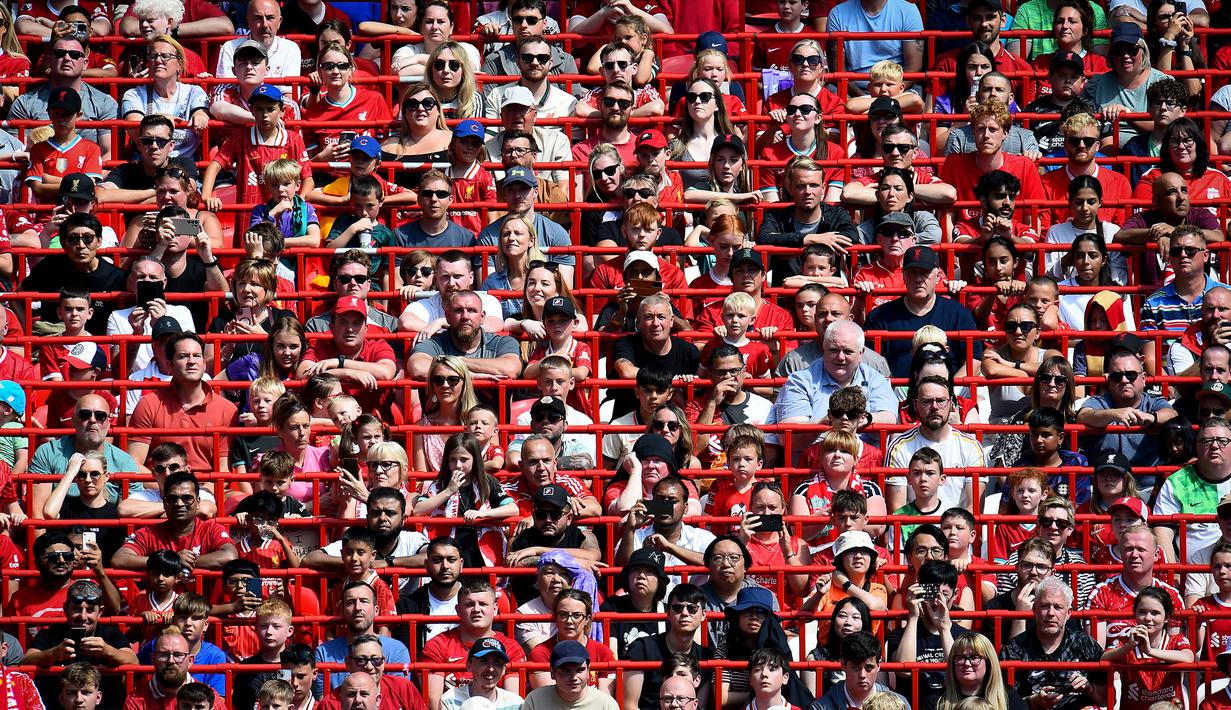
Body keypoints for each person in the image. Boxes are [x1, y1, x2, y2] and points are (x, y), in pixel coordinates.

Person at [865, 245, 982, 378]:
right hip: (894, 393)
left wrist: (948, 391)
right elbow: (869, 363)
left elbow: (974, 362)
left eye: (924, 272)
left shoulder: (959, 314)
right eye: (912, 272)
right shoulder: (879, 316)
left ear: (938, 276)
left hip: (947, 394)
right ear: (903, 276)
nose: (918, 279)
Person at [999, 577, 1109, 710]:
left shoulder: (1085, 644)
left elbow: (1109, 699)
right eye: (1044, 606)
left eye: (1058, 607)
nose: (1051, 613)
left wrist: (1089, 688)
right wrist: (1032, 702)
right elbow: (999, 702)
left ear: (1068, 613)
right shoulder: (1014, 648)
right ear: (1034, 610)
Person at [1077, 349, 1179, 492]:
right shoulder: (1100, 402)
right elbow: (1083, 416)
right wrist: (1114, 414)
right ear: (1109, 380)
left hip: (1147, 488)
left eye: (1131, 375)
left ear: (1143, 378)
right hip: (1105, 488)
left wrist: (1151, 417)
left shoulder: (1153, 402)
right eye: (1117, 376)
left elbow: (1172, 414)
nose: (1124, 380)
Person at [25, 580, 137, 704]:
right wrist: (54, 653)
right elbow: (26, 661)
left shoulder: (110, 634)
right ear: (65, 608)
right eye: (77, 609)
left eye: (90, 610)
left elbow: (133, 661)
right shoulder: (52, 633)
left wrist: (107, 651)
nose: (83, 617)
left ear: (100, 612)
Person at [8, 35, 118, 159]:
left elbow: (108, 154)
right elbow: (18, 152)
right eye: (60, 53)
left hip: (88, 175)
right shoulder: (24, 103)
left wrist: (91, 178)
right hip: (38, 174)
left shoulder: (104, 102)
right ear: (49, 60)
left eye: (75, 55)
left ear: (85, 63)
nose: (67, 58)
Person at [420, 580, 526, 707]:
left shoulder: (511, 648)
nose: (476, 609)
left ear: (495, 609)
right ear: (458, 610)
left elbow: (511, 705)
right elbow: (435, 705)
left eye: (483, 604)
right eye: (469, 604)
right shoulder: (438, 645)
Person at [623, 584, 714, 710]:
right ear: (668, 613)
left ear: (703, 614)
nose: (685, 613)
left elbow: (699, 706)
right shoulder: (642, 648)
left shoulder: (707, 656)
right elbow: (629, 705)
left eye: (692, 608)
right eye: (678, 608)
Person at [1079, 23, 1169, 147]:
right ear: (1111, 55)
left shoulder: (1162, 81)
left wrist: (1127, 114)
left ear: (1143, 51)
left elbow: (1167, 128)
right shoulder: (1096, 84)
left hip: (1150, 152)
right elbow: (1080, 121)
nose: (1126, 56)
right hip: (1104, 152)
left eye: (1132, 50)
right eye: (1119, 51)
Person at [812, 632, 905, 710]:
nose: (862, 675)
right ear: (843, 664)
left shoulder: (899, 704)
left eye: (869, 668)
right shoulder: (821, 707)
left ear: (879, 665)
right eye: (856, 668)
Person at [523, 640, 618, 710]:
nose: (573, 677)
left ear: (588, 671)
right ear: (552, 673)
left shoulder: (606, 705)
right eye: (565, 671)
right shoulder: (535, 700)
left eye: (580, 670)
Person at [216, 1, 301, 79]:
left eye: (270, 18)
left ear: (279, 22)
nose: (264, 25)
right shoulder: (230, 48)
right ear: (248, 22)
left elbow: (289, 94)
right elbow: (225, 91)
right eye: (258, 18)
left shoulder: (290, 49)